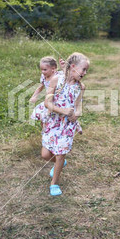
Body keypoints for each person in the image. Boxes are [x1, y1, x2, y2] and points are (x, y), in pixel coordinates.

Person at [41, 52, 89, 196]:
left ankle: (54, 183)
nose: (85, 73)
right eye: (83, 69)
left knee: (60, 154)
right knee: (45, 155)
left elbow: (78, 105)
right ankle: (59, 163)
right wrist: (61, 110)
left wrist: (77, 114)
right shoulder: (56, 80)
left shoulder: (80, 87)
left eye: (87, 70)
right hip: (53, 122)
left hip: (67, 126)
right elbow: (47, 102)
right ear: (73, 67)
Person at [30, 56, 82, 134]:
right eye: (41, 70)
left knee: (66, 113)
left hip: (60, 100)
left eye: (45, 69)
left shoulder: (59, 75)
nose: (42, 72)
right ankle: (46, 130)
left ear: (53, 69)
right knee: (43, 115)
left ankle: (75, 123)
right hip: (50, 100)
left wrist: (64, 67)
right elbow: (40, 87)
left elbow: (69, 76)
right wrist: (34, 96)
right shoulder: (43, 77)